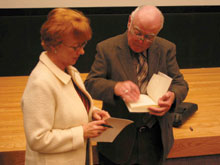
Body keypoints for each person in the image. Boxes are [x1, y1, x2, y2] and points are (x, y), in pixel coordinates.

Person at [85, 5, 189, 165]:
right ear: (129, 23)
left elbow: (180, 83)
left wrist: (173, 97)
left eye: (149, 37)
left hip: (155, 141)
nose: (141, 40)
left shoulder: (166, 48)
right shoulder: (107, 48)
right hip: (118, 143)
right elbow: (91, 84)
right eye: (138, 32)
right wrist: (115, 87)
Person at [21, 8, 110, 165]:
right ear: (55, 45)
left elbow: (69, 110)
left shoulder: (70, 70)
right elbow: (38, 139)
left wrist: (93, 113)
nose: (82, 52)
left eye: (83, 45)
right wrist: (82, 132)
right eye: (76, 46)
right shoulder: (40, 83)